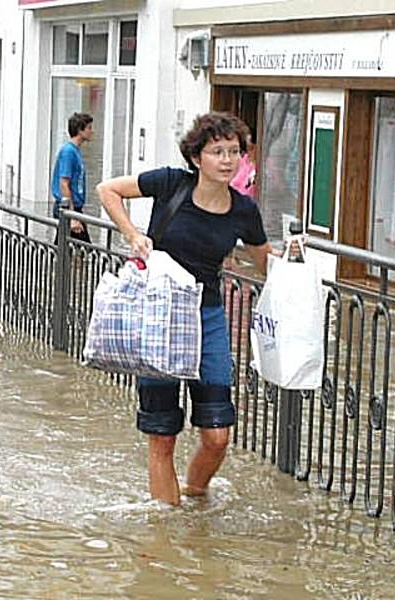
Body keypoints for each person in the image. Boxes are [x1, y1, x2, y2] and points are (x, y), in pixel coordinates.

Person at [96, 112, 274, 506]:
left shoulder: (244, 211)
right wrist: (133, 235)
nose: (227, 160)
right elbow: (107, 189)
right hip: (159, 314)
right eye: (217, 152)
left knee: (217, 435)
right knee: (162, 435)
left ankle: (195, 493)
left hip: (207, 317)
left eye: (234, 152)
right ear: (197, 158)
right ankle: (168, 526)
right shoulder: (170, 183)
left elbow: (266, 263)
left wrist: (297, 273)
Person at [51, 112, 94, 243]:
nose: (92, 132)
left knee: (66, 248)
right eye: (89, 128)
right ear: (80, 130)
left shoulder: (75, 151)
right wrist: (72, 216)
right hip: (68, 208)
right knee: (83, 247)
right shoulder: (69, 152)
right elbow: (64, 183)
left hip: (73, 208)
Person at [230, 126, 256, 198]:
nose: (248, 151)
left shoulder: (265, 165)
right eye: (246, 147)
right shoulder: (241, 160)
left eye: (251, 148)